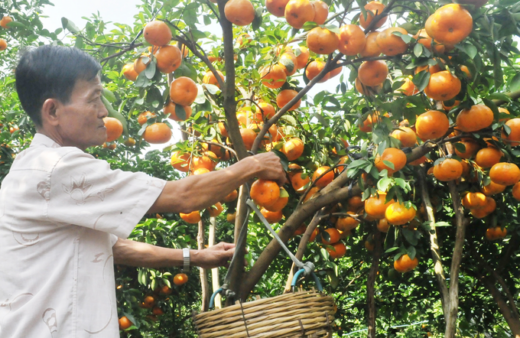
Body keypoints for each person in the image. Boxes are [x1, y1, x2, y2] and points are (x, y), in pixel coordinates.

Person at [0, 45, 286, 338]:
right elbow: (182, 197)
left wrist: (196, 257)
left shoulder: (33, 169)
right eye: (94, 99)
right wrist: (252, 166)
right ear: (53, 111)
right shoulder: (56, 167)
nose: (103, 112)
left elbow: (115, 247)